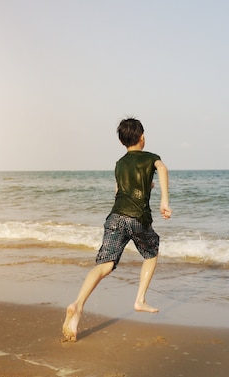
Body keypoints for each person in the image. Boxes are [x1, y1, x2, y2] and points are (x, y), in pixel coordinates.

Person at [62, 117, 171, 342]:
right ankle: (139, 299)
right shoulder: (152, 158)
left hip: (115, 217)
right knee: (151, 251)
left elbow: (119, 191)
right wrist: (164, 201)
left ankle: (78, 304)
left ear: (122, 142)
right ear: (142, 138)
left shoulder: (120, 163)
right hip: (137, 219)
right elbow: (163, 169)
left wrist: (145, 186)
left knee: (105, 265)